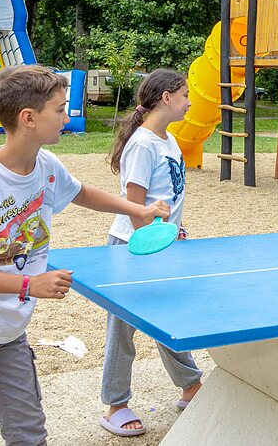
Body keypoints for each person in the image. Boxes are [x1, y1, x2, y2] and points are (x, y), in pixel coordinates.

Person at [0, 65, 171, 446]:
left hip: (8, 329)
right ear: (29, 118)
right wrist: (28, 283)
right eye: (60, 109)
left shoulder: (46, 166)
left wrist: (137, 210)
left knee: (28, 430)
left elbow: (82, 192)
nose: (66, 117)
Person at [98, 69, 203, 437]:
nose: (190, 101)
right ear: (166, 98)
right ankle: (116, 404)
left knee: (169, 319)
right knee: (123, 330)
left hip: (159, 245)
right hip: (132, 247)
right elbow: (135, 205)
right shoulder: (142, 144)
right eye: (185, 94)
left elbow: (168, 200)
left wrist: (175, 232)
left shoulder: (169, 141)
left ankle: (190, 386)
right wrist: (156, 243)